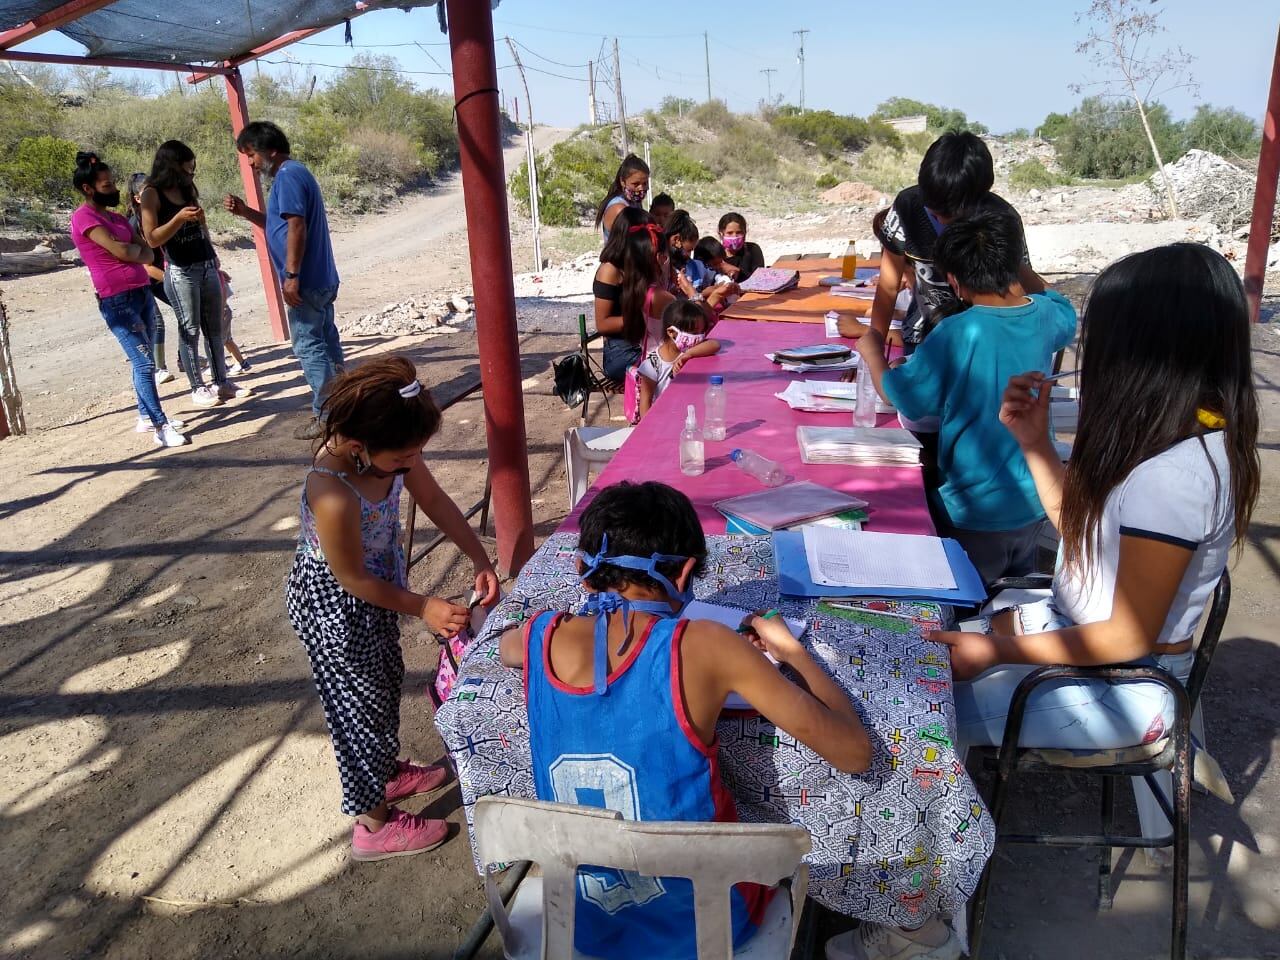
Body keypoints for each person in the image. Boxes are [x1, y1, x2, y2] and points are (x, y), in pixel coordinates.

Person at [498, 480, 870, 959]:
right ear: (687, 571)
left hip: (586, 923)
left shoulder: (537, 635)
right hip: (705, 924)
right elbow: (856, 754)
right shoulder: (711, 644)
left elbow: (508, 643)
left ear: (583, 573)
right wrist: (795, 654)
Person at [929, 242, 1258, 766]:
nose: (1091, 354)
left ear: (1143, 352)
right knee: (908, 652)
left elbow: (1125, 637)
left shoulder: (1175, 475)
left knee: (903, 708)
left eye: (1102, 339)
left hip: (1119, 685)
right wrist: (1033, 443)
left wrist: (995, 652)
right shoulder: (1157, 437)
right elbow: (1082, 536)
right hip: (1075, 640)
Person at [286, 355, 500, 861]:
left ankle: (385, 772)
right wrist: (422, 605)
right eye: (406, 458)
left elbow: (436, 501)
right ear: (360, 447)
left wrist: (477, 555)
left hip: (375, 596)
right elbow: (352, 578)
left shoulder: (390, 450)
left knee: (382, 686)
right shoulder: (332, 491)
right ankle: (372, 824)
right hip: (336, 608)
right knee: (356, 711)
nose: (412, 464)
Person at [855, 210, 1075, 586]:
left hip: (973, 509)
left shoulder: (956, 332)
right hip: (1036, 498)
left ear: (954, 282)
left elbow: (904, 399)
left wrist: (873, 351)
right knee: (1017, 594)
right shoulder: (1047, 315)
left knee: (969, 603)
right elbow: (1054, 302)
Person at [844, 131, 1039, 345]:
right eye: (934, 212)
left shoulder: (1001, 220)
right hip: (924, 338)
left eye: (952, 215)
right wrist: (876, 341)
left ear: (979, 196)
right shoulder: (907, 206)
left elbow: (1022, 290)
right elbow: (888, 285)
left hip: (984, 341)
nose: (942, 220)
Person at [224, 121, 342, 440]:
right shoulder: (291, 175)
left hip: (307, 280)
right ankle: (346, 405)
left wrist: (291, 276)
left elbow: (296, 227)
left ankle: (328, 414)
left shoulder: (288, 176)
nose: (250, 162)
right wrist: (247, 212)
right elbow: (279, 225)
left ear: (269, 151)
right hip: (320, 278)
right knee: (326, 341)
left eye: (251, 155)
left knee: (308, 345)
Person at [68, 152, 186, 448]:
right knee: (146, 364)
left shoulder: (116, 218)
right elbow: (122, 251)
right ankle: (160, 425)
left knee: (140, 363)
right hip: (117, 301)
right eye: (106, 185)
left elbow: (144, 249)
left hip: (141, 291)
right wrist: (134, 252)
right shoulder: (84, 218)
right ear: (88, 189)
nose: (113, 189)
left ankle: (145, 418)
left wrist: (135, 252)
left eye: (111, 183)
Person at [140, 140, 248, 409]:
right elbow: (152, 239)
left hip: (206, 265)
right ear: (172, 165)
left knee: (214, 325)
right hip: (180, 271)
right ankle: (197, 386)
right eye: (188, 169)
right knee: (189, 329)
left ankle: (221, 382)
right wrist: (177, 219)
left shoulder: (187, 190)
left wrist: (213, 254)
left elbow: (202, 224)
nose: (191, 174)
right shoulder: (151, 194)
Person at [592, 207, 676, 382]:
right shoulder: (610, 270)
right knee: (672, 365)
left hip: (645, 341)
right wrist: (646, 315)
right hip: (622, 350)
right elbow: (603, 324)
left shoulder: (644, 266)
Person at [126, 172, 174, 384]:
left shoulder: (160, 216)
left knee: (185, 313)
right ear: (138, 198)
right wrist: (170, 279)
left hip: (161, 276)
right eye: (148, 191)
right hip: (143, 281)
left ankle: (185, 358)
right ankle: (158, 368)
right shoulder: (134, 225)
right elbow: (144, 266)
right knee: (156, 322)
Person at [635, 300, 721, 417]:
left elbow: (715, 345)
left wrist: (688, 354)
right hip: (664, 418)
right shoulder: (652, 366)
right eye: (694, 332)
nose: (699, 337)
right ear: (672, 332)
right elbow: (645, 404)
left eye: (702, 332)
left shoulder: (690, 350)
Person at [596, 154, 650, 243]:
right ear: (623, 182)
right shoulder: (619, 208)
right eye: (636, 184)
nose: (641, 188)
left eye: (645, 183)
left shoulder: (635, 202)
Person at [217, 269, 251, 374]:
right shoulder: (217, 274)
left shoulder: (214, 276)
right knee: (227, 340)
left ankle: (220, 366)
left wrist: (221, 310)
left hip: (220, 312)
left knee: (218, 341)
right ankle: (241, 363)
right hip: (224, 311)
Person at [716, 212, 765, 283]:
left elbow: (759, 279)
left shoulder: (753, 250)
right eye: (729, 233)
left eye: (739, 232)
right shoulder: (714, 255)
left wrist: (739, 272)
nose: (734, 236)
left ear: (745, 233)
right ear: (721, 233)